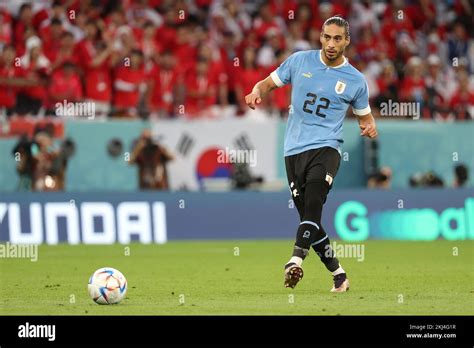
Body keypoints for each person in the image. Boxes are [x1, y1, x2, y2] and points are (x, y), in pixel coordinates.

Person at [245, 16, 378, 292]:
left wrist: (369, 126)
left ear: (347, 41)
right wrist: (256, 91)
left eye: (337, 38)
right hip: (293, 151)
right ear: (320, 36)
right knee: (310, 218)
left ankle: (295, 261)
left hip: (327, 149)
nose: (331, 44)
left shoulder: (355, 80)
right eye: (327, 37)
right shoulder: (299, 61)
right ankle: (339, 275)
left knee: (314, 204)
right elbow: (267, 84)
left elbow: (365, 118)